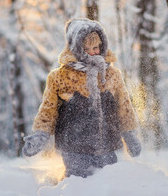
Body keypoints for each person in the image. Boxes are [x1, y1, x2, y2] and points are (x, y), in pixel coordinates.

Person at [22, 18, 141, 178]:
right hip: (73, 146)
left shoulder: (112, 75)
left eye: (96, 47)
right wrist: (41, 135)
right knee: (79, 185)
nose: (92, 52)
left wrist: (129, 134)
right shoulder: (60, 77)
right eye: (86, 49)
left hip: (107, 145)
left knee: (107, 182)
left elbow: (124, 106)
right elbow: (48, 110)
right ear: (75, 49)